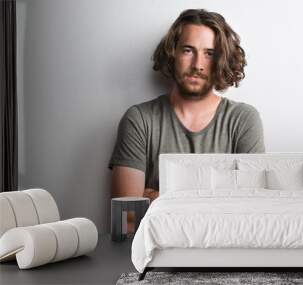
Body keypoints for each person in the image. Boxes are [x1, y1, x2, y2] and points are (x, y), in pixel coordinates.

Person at [108, 9, 265, 204]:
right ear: (172, 53)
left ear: (221, 60)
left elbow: (251, 208)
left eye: (209, 53)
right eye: (188, 50)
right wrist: (220, 196)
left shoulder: (243, 120)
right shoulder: (140, 120)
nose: (197, 65)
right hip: (156, 237)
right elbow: (127, 219)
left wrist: (155, 196)